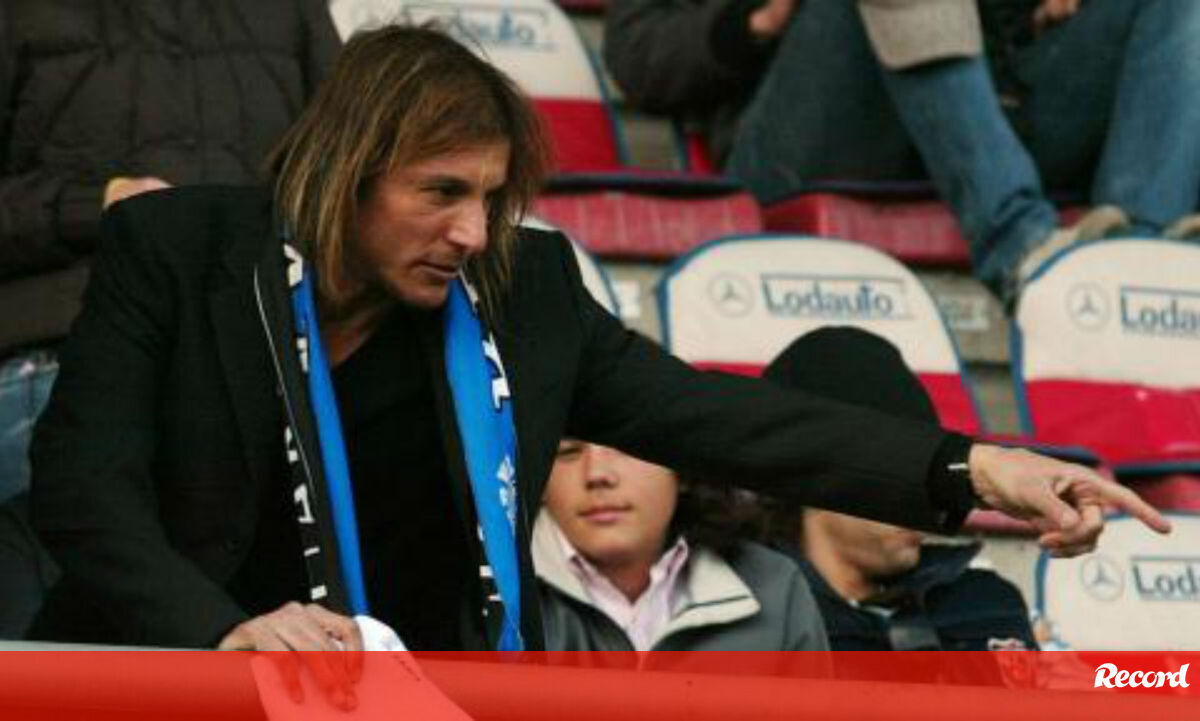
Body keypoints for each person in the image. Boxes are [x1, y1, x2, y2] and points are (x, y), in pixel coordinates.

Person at [29, 24, 1165, 674]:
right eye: (442, 193)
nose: (474, 232)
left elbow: (730, 422)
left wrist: (977, 466)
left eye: (493, 197)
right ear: (346, 171)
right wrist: (223, 632)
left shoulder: (522, 288)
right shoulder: (178, 250)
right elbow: (85, 489)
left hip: (416, 694)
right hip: (167, 676)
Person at [604, 0, 1200, 301]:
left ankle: (1141, 259)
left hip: (988, 113)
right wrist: (760, 18)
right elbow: (637, 56)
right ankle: (1020, 246)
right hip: (802, 141)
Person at [0, 0, 340, 504]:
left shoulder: (289, 11)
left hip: (253, 370)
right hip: (57, 359)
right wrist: (97, 204)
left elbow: (350, 182)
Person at [759, 327, 1037, 652]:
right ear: (814, 474)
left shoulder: (986, 604)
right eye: (896, 468)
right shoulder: (749, 617)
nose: (924, 497)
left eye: (927, 471)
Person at [535, 439, 828, 652]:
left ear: (683, 467)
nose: (597, 474)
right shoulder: (509, 592)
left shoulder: (774, 588)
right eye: (567, 451)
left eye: (628, 445)